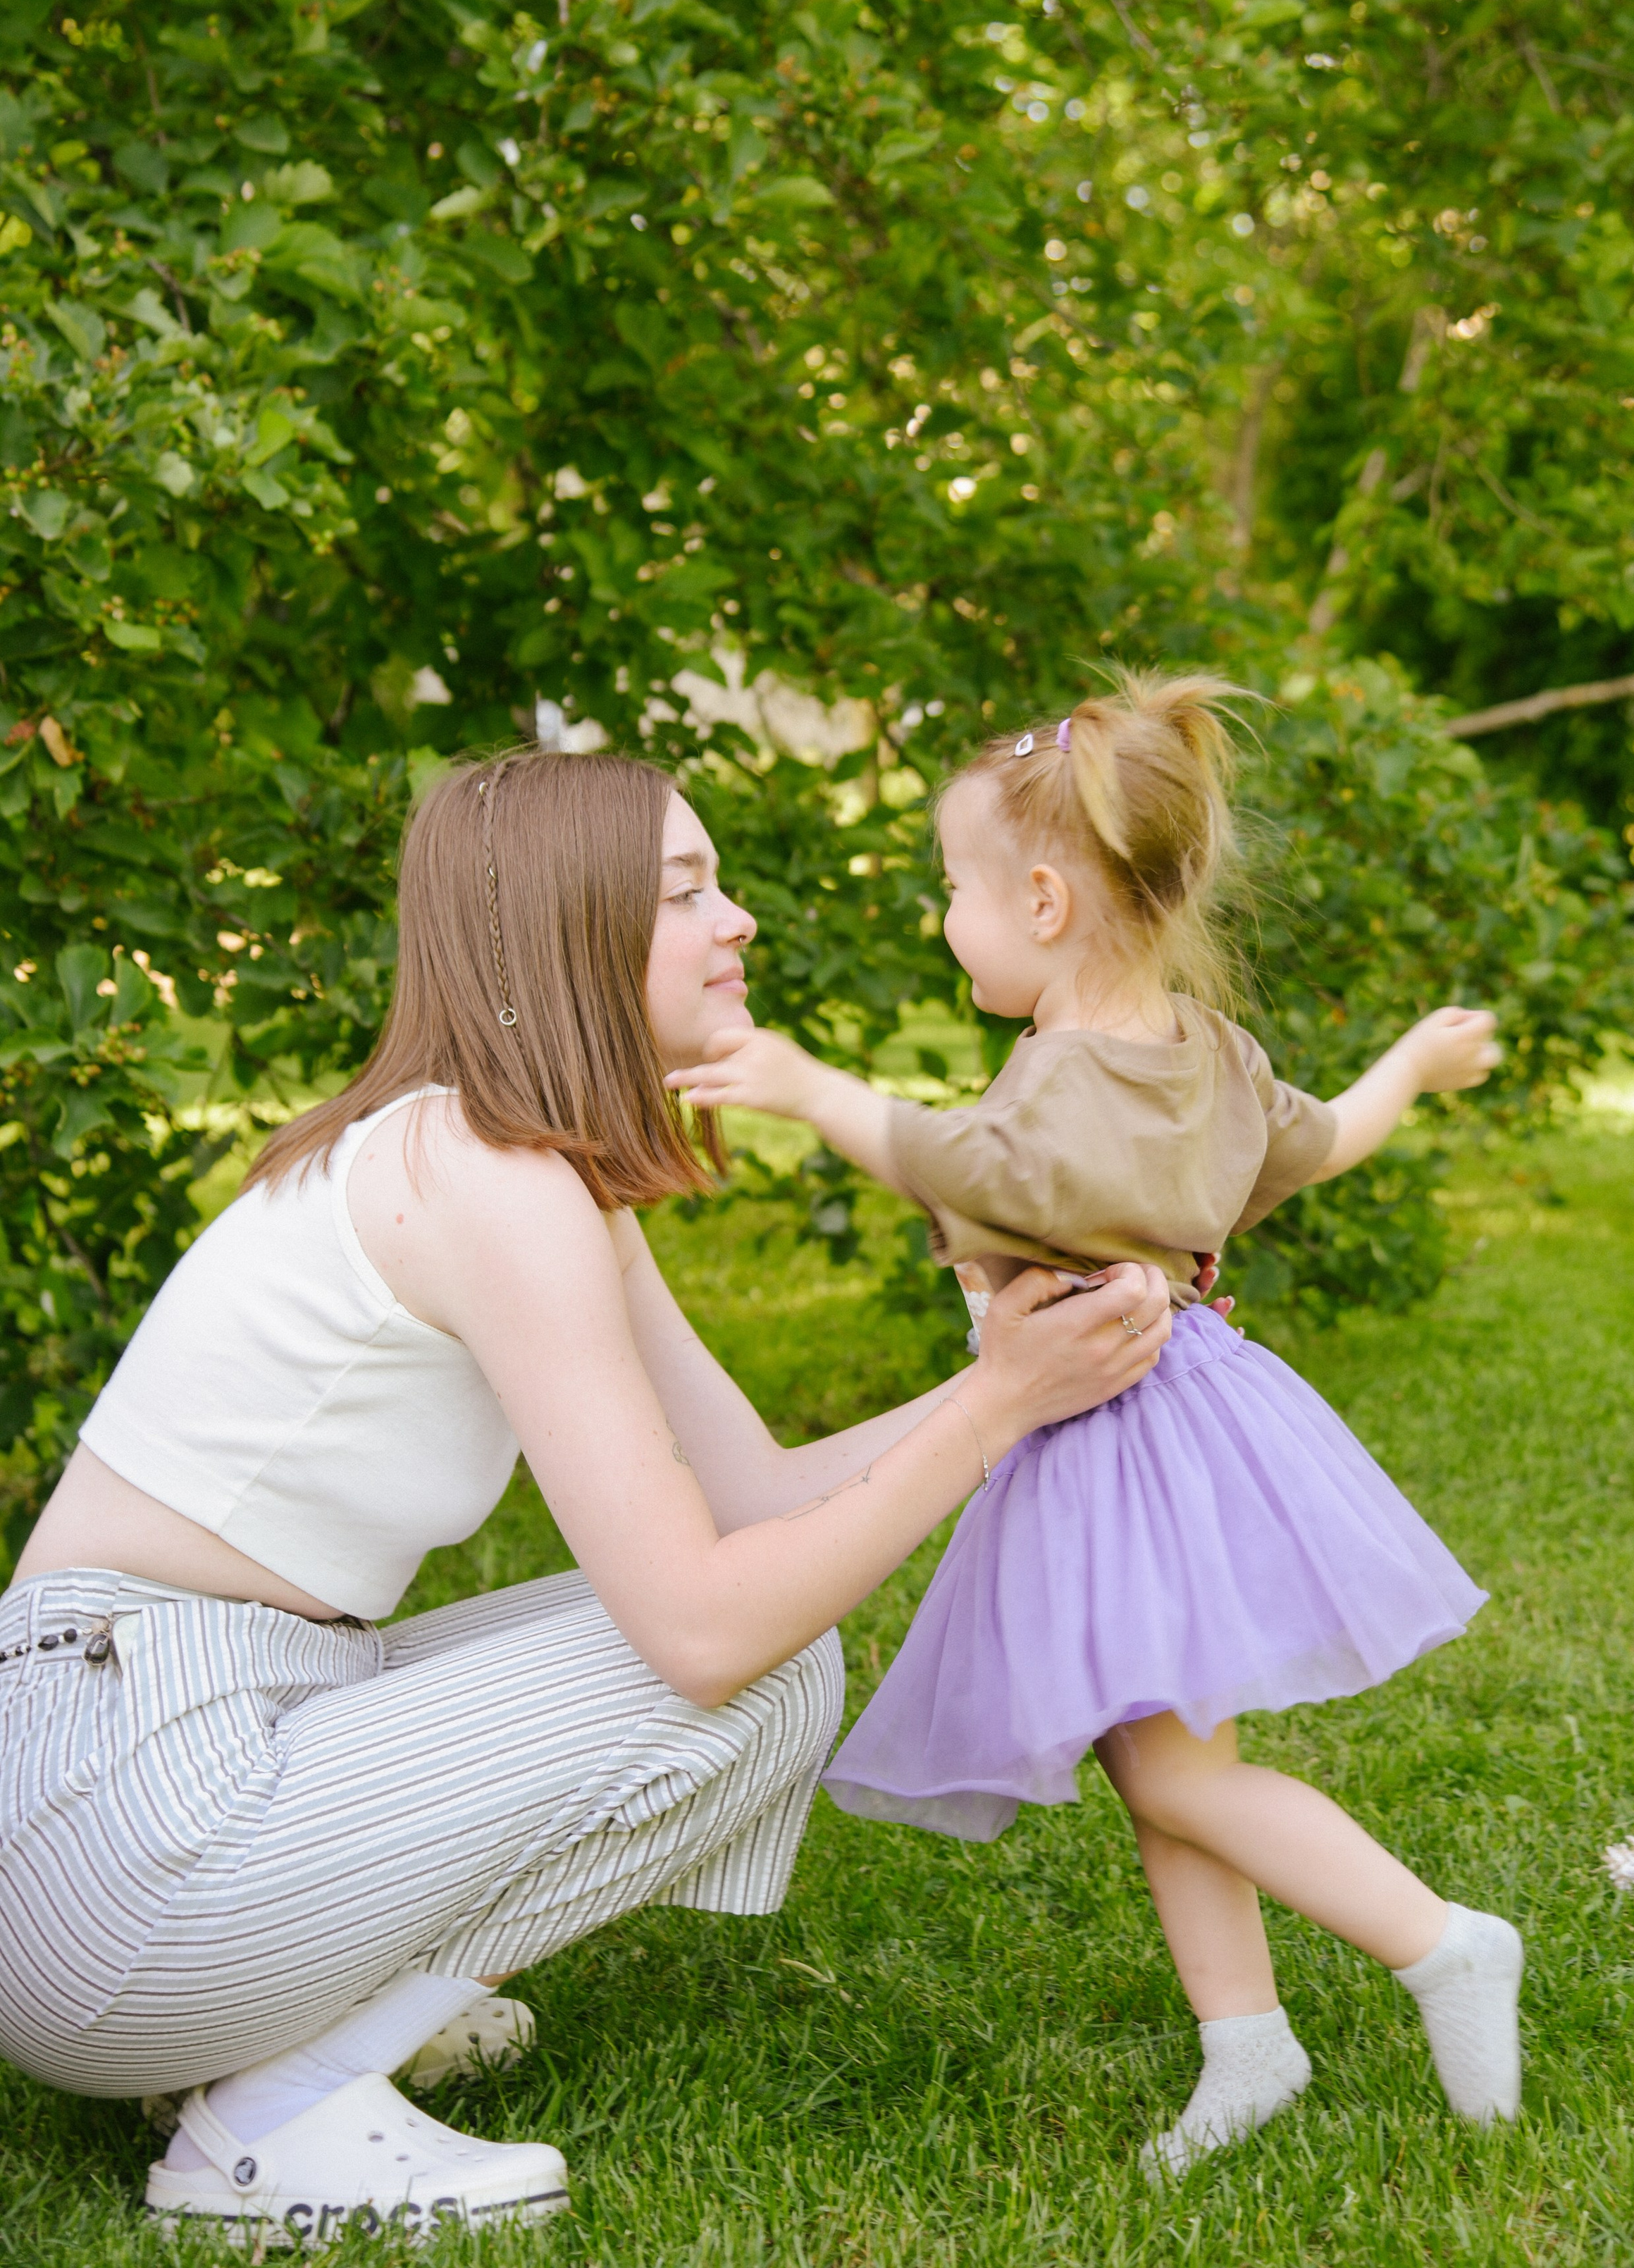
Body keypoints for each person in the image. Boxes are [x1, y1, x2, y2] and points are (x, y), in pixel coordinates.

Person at [0, 752, 1171, 2241]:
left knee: (767, 1639)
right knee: (751, 1668)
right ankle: (273, 2114)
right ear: (569, 930)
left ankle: (290, 2030)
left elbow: (751, 1500)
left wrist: (1019, 1373)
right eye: (686, 891)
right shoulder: (483, 1174)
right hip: (110, 1820)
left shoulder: (521, 1166)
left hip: (178, 1752)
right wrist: (1002, 1403)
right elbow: (699, 1627)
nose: (737, 919)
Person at [670, 671, 1525, 2177]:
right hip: (1180, 1418)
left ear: (1047, 900)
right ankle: (1245, 2043)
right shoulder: (1197, 1043)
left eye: (953, 888)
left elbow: (976, 1160)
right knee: (1158, 1760)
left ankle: (1439, 1940)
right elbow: (1314, 1141)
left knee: (1180, 1768)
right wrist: (1409, 1064)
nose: (949, 916)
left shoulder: (1066, 1078)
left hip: (1122, 1434)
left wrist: (811, 1090)